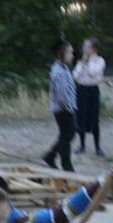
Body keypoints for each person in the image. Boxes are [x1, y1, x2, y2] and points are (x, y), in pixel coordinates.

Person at [43, 40, 77, 171]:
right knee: (67, 136)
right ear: (62, 53)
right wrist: (68, 108)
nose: (72, 55)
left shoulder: (64, 68)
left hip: (67, 108)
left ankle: (56, 158)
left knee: (67, 135)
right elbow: (61, 95)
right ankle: (62, 162)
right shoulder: (58, 71)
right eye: (70, 52)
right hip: (63, 109)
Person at [73, 37, 106, 157]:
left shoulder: (100, 60)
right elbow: (75, 75)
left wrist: (88, 62)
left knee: (93, 117)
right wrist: (82, 64)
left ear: (94, 49)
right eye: (84, 46)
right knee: (81, 116)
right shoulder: (81, 61)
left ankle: (97, 147)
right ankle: (82, 145)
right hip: (81, 90)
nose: (84, 49)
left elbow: (93, 72)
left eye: (87, 46)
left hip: (92, 91)